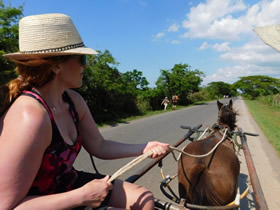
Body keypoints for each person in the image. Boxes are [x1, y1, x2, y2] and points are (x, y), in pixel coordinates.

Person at [0, 13, 169, 210]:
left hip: (67, 183)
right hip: (37, 201)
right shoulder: (30, 116)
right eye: (82, 59)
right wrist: (80, 197)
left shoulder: (73, 101)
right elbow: (6, 205)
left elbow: (99, 145)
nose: (85, 66)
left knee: (144, 198)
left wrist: (144, 148)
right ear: (55, 65)